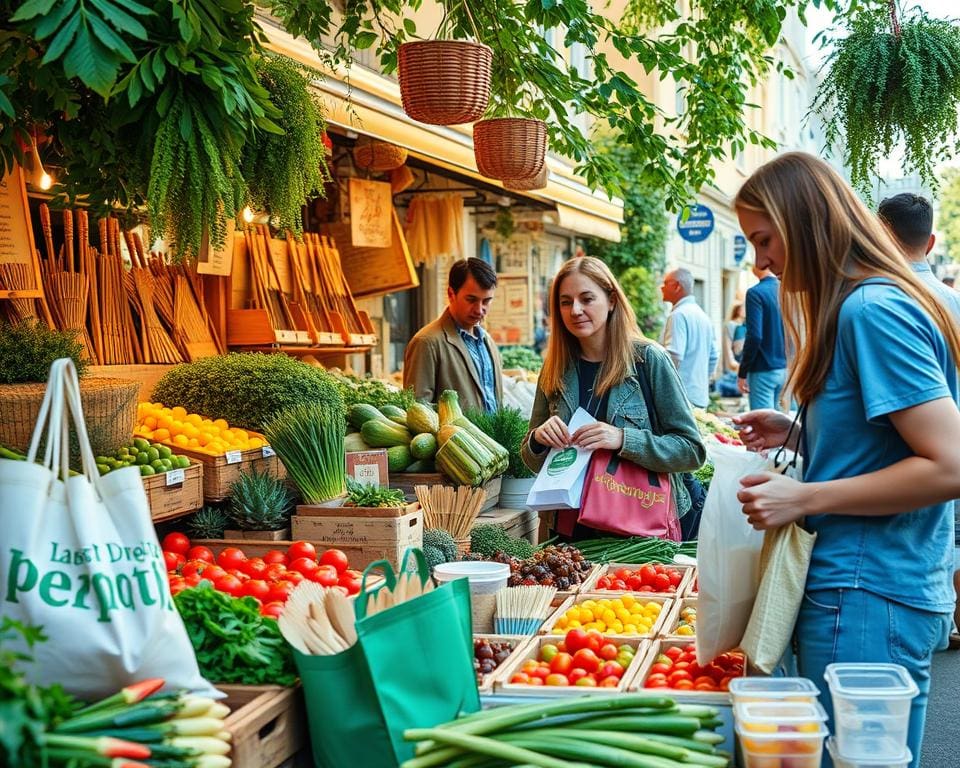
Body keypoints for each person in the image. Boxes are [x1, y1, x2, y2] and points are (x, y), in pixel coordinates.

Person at [732, 153, 960, 768]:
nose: (762, 262)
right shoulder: (871, 302)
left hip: (864, 590)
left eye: (764, 239)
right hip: (877, 585)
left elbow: (949, 465)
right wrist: (804, 435)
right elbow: (887, 444)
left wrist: (803, 497)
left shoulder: (870, 310)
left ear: (802, 221)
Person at [521, 256, 706, 540]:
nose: (576, 310)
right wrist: (537, 439)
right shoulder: (555, 366)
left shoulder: (648, 360)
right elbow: (533, 460)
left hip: (637, 530)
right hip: (569, 532)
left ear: (611, 300)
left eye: (587, 299)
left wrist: (623, 439)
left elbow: (691, 450)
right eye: (566, 302)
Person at [879, 192, 960, 651]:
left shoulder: (879, 299)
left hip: (899, 452)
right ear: (930, 243)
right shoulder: (953, 300)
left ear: (880, 234)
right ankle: (945, 617)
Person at [403, 258, 503, 412]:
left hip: (493, 437)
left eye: (486, 301)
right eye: (471, 300)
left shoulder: (487, 342)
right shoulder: (426, 342)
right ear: (451, 294)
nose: (479, 309)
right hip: (453, 437)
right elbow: (417, 411)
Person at [659, 268, 718, 408]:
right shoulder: (703, 316)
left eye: (665, 283)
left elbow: (674, 355)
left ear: (677, 286)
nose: (662, 288)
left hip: (680, 398)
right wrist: (701, 382)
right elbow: (714, 356)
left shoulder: (678, 315)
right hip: (699, 396)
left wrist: (659, 388)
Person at [737, 265, 788, 410]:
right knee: (781, 426)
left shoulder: (755, 293)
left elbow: (754, 336)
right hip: (785, 369)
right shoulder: (786, 292)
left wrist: (742, 372)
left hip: (763, 370)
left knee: (763, 427)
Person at [715, 302, 746, 397]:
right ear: (738, 310)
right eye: (744, 308)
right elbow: (728, 347)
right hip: (735, 365)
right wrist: (732, 362)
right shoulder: (731, 325)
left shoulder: (745, 326)